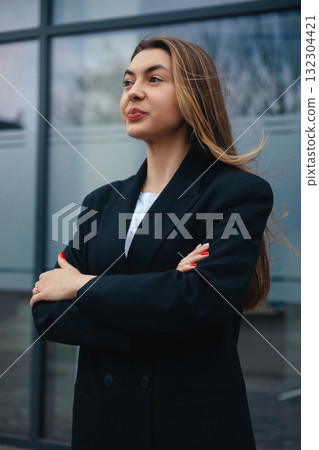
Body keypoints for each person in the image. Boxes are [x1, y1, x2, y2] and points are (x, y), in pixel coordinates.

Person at [30, 36, 274, 450]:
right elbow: (47, 313)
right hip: (101, 425)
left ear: (195, 96)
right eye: (128, 82)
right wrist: (160, 297)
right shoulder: (99, 202)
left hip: (187, 428)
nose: (134, 91)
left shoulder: (236, 194)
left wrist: (81, 286)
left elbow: (200, 300)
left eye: (154, 78)